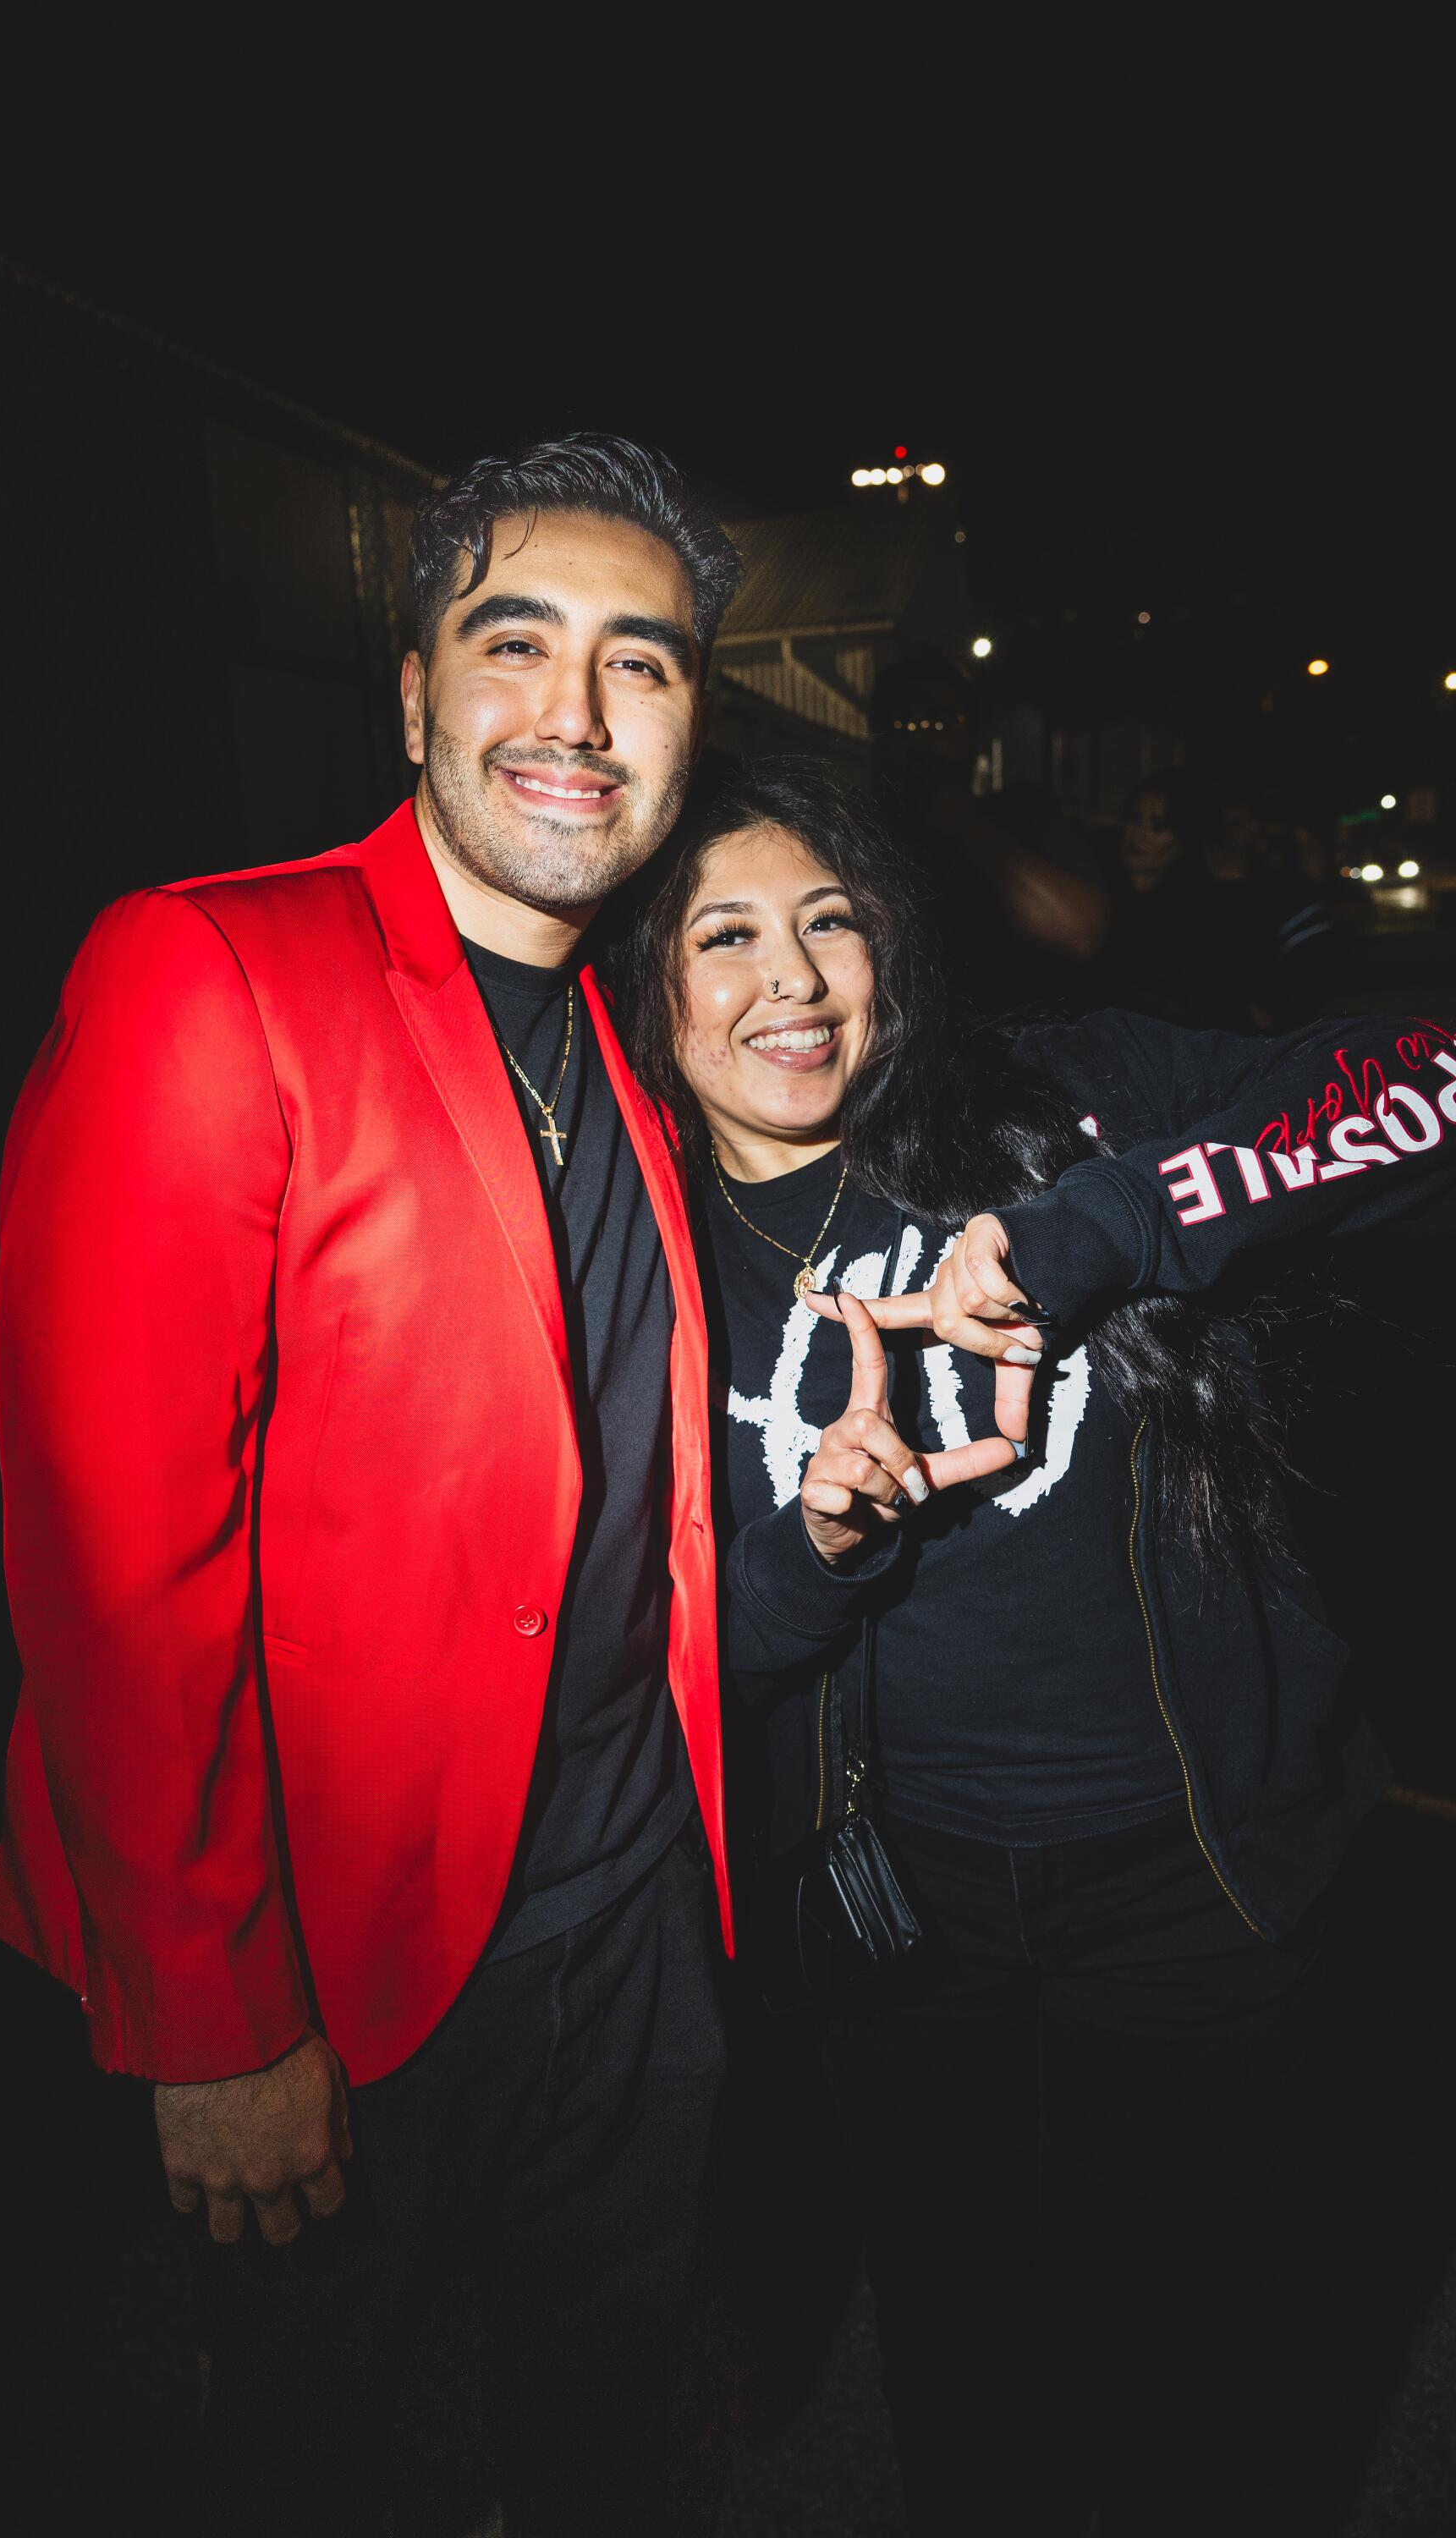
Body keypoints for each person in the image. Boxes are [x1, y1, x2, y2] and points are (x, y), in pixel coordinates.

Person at [0, 437, 744, 2535]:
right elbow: (112, 1555)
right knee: (293, 2463)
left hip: (631, 1920)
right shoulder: (206, 967)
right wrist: (212, 2018)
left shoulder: (632, 1040)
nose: (576, 717)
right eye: (516, 646)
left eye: (641, 663)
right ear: (414, 699)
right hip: (337, 1960)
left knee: (599, 2437)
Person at [612, 753, 1453, 2537]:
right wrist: (825, 1538)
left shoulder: (1056, 1101)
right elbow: (694, 1655)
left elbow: (1427, 1082)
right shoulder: (641, 1254)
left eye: (830, 922)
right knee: (953, 2339)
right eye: (729, 937)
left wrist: (1103, 1229)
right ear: (648, 984)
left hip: (1188, 1872)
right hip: (893, 1903)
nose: (796, 983)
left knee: (1161, 2352)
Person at [868, 651, 1108, 1008]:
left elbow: (1081, 933)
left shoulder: (1026, 816)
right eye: (903, 724)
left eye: (940, 720)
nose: (922, 738)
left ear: (974, 735)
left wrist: (966, 825)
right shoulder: (867, 839)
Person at [1113, 768, 1336, 1030]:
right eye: (1134, 819)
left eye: (1159, 825)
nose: (1138, 834)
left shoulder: (1207, 904)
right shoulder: (1101, 890)